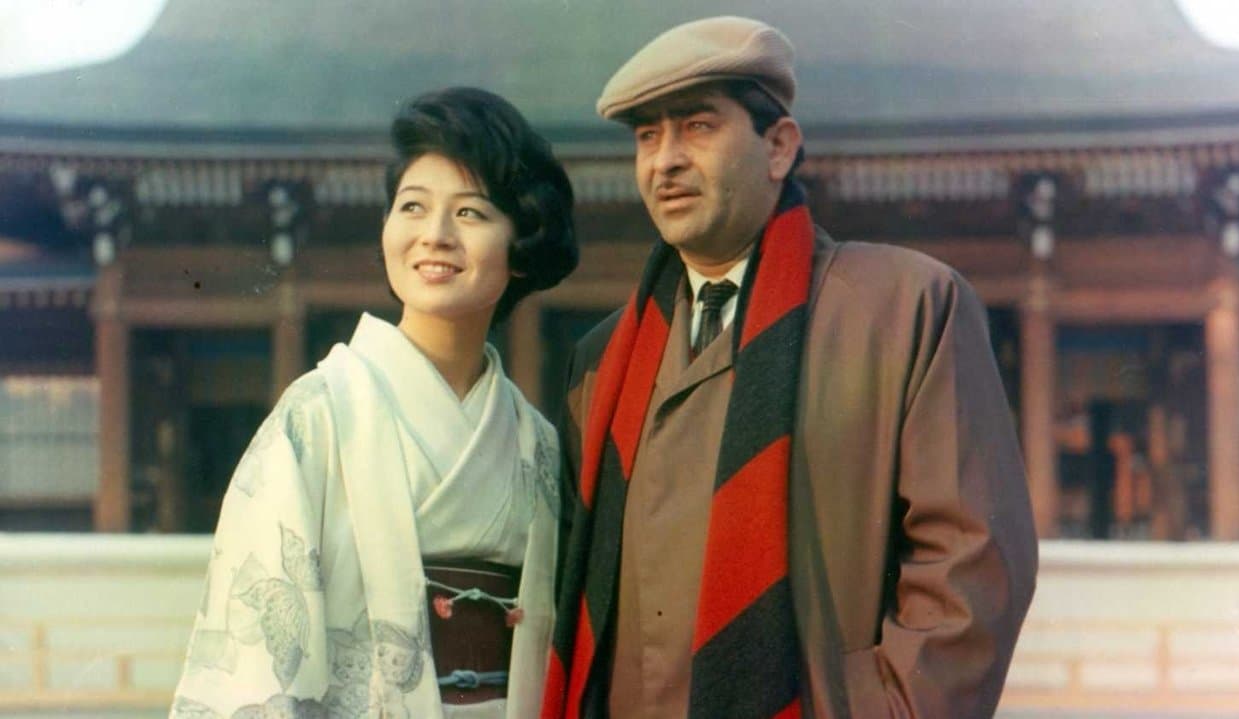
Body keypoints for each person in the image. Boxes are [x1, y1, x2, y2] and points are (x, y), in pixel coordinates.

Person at [542, 16, 1037, 719]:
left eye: (698, 127)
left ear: (778, 146)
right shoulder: (602, 362)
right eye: (648, 136)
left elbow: (972, 562)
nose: (665, 161)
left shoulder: (904, 309)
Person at [171, 87, 577, 719]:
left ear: (521, 245)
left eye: (470, 213)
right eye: (413, 206)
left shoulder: (539, 443)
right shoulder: (317, 416)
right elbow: (259, 660)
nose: (435, 235)